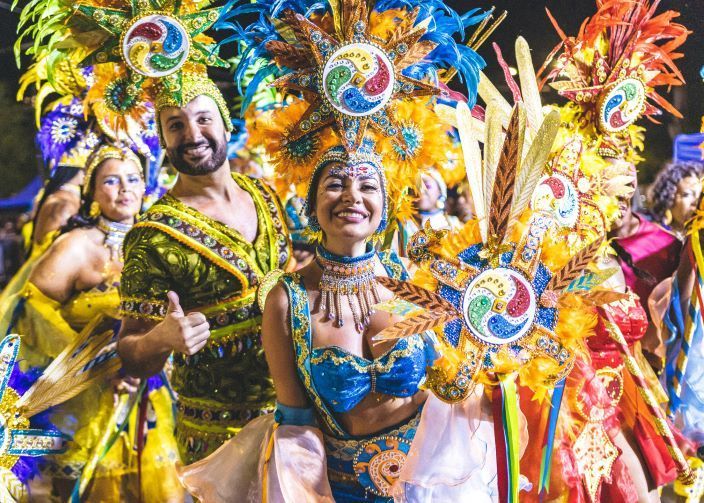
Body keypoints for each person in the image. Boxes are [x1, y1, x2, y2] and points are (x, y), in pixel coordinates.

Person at [117, 72, 292, 464]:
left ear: (226, 123)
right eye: (175, 125)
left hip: (295, 413)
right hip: (218, 437)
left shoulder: (264, 194)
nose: (192, 134)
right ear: (163, 140)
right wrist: (161, 338)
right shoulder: (152, 236)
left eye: (203, 118)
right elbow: (130, 353)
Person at [7, 144, 182, 501]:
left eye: (133, 178)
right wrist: (100, 366)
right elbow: (32, 316)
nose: (124, 189)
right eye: (111, 181)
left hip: (151, 394)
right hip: (86, 403)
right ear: (92, 192)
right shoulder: (75, 247)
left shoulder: (161, 243)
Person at [648, 160, 704, 240]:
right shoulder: (653, 239)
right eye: (687, 194)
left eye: (701, 195)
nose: (696, 202)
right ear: (668, 200)